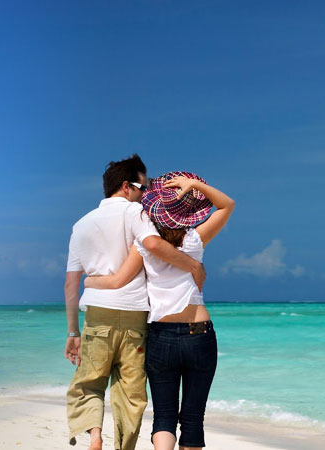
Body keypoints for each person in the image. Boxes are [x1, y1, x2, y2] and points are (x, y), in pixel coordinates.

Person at [64, 155, 207, 450]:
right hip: (134, 314)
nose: (146, 195)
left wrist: (73, 332)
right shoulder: (136, 213)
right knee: (130, 394)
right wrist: (193, 265)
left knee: (90, 382)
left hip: (98, 314)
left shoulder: (80, 225)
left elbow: (70, 284)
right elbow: (153, 245)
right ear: (126, 187)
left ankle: (94, 435)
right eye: (144, 188)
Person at [85, 171, 234, 450]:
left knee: (164, 417)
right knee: (193, 419)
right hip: (199, 334)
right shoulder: (194, 240)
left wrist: (90, 281)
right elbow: (227, 205)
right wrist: (195, 185)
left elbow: (117, 281)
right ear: (187, 213)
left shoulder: (144, 245)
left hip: (161, 336)